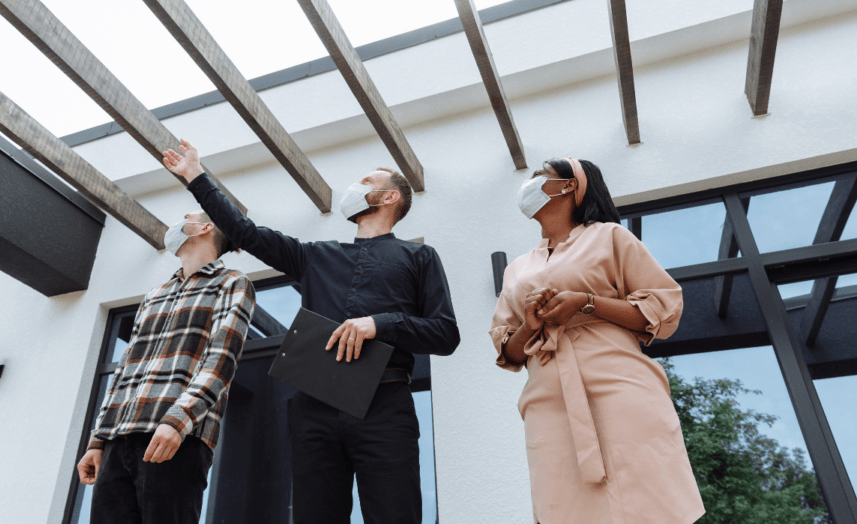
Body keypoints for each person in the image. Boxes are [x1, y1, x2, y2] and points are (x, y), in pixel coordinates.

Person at [162, 138, 460, 524]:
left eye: (365, 180)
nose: (354, 187)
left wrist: (380, 323)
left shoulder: (420, 257)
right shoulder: (315, 255)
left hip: (385, 406)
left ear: (388, 197)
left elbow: (445, 333)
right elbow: (245, 232)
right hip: (313, 407)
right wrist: (195, 176)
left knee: (395, 514)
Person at [490, 157, 705, 524]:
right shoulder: (517, 268)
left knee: (646, 499)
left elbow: (663, 307)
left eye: (541, 176)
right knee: (561, 507)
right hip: (547, 401)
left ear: (570, 185)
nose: (530, 184)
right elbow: (509, 351)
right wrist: (530, 325)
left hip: (620, 387)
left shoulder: (610, 237)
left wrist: (586, 304)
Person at [76, 210, 255, 524]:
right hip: (119, 438)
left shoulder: (233, 283)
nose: (180, 218)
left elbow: (221, 361)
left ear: (206, 226)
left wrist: (177, 421)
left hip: (177, 437)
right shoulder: (154, 295)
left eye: (189, 214)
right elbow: (124, 370)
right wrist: (98, 440)